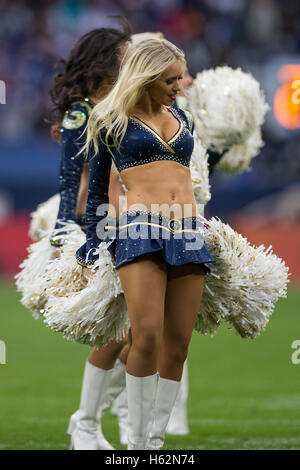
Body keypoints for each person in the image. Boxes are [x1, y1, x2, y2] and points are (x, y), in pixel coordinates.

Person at [76, 37, 215, 450]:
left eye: (180, 78)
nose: (180, 87)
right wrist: (89, 246)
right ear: (148, 77)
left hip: (188, 230)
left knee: (178, 344)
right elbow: (97, 193)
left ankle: (153, 445)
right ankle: (135, 445)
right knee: (146, 334)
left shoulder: (183, 116)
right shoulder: (109, 119)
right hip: (138, 229)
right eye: (171, 80)